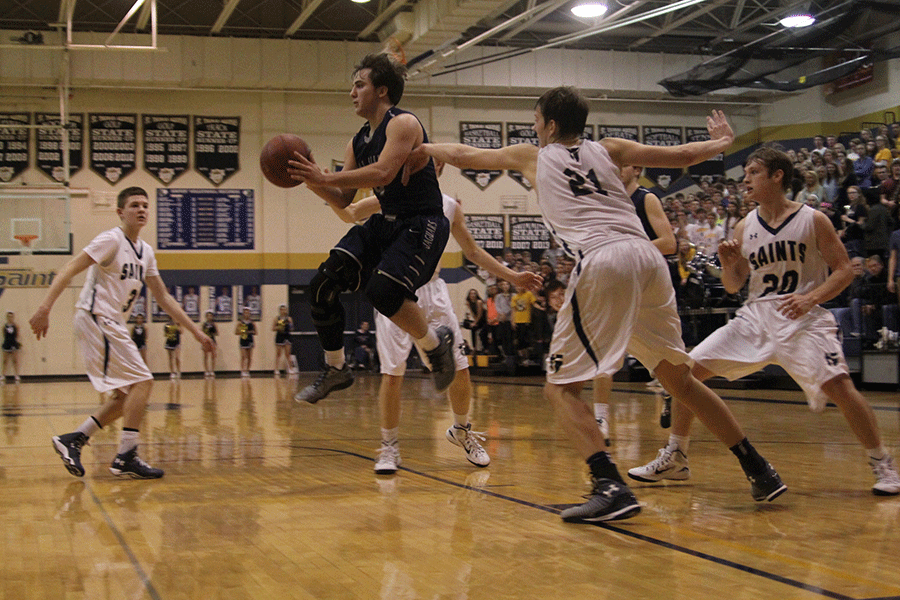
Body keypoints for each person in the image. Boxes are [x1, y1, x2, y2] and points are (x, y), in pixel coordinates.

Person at [408, 87, 786, 522]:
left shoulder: (531, 155)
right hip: (647, 259)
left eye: (535, 121)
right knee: (679, 380)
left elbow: (465, 154)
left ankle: (609, 485)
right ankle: (759, 469)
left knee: (560, 388)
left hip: (604, 259)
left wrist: (421, 147)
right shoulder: (610, 149)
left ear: (549, 125)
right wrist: (721, 143)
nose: (534, 128)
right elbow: (681, 154)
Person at [628, 146, 900, 497]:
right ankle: (676, 454)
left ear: (777, 176)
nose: (745, 180)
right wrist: (728, 264)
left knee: (839, 387)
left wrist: (810, 298)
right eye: (745, 174)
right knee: (686, 374)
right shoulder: (745, 224)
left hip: (802, 318)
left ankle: (882, 462)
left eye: (753, 173)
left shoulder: (812, 219)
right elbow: (733, 285)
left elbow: (846, 270)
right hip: (755, 318)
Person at [329, 166, 542, 474]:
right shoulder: (389, 195)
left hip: (433, 292)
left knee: (460, 369)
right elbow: (349, 213)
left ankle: (461, 430)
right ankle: (389, 447)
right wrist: (316, 183)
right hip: (394, 290)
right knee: (393, 374)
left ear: (436, 166)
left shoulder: (449, 206)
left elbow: (473, 251)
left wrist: (512, 276)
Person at [287, 52, 455, 404]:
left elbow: (383, 173)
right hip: (386, 221)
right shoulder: (357, 141)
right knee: (322, 286)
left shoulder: (403, 124)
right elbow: (344, 199)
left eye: (359, 85)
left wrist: (325, 175)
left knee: (383, 292)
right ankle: (335, 369)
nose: (352, 92)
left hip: (421, 222)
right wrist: (310, 179)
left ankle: (435, 345)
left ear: (381, 91)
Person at [34, 186, 214, 479]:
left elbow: (164, 297)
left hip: (110, 322)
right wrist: (45, 308)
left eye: (145, 205)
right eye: (134, 205)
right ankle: (126, 456)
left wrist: (196, 332)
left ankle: (73, 439)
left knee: (125, 398)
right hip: (96, 318)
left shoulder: (146, 252)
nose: (141, 209)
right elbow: (70, 267)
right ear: (121, 212)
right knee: (143, 381)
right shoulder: (111, 240)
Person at [592, 163, 678, 444]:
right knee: (605, 353)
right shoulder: (606, 200)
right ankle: (601, 418)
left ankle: (671, 394)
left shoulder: (646, 198)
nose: (613, 168)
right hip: (616, 284)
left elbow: (668, 242)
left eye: (621, 164)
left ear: (636, 169)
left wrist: (629, 250)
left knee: (667, 356)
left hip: (648, 285)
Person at [272, 304, 295, 377]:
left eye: (285, 309)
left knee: (288, 353)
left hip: (287, 336)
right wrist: (279, 327)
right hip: (279, 336)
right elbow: (273, 328)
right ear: (280, 311)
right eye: (282, 310)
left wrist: (288, 325)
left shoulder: (289, 318)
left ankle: (290, 369)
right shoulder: (277, 318)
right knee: (278, 354)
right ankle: (276, 369)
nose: (283, 311)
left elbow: (292, 328)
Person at [236, 306, 256, 377]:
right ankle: (242, 370)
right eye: (245, 312)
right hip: (243, 340)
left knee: (249, 357)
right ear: (243, 314)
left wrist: (249, 331)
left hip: (250, 340)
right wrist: (242, 331)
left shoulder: (252, 323)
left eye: (248, 312)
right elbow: (236, 332)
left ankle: (248, 370)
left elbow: (255, 332)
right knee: (243, 356)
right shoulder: (240, 323)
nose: (246, 314)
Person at [2, 311, 21, 382]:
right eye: (9, 316)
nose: (10, 318)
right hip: (6, 343)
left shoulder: (16, 326)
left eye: (11, 316)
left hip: (13, 344)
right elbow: (4, 335)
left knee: (15, 360)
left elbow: (17, 335)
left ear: (13, 317)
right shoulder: (4, 326)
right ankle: (3, 375)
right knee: (5, 361)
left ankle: (16, 375)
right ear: (7, 317)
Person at [201, 310, 218, 378]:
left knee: (213, 356)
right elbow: (201, 333)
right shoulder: (204, 324)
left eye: (210, 315)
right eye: (208, 315)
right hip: (205, 341)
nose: (209, 317)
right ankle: (206, 370)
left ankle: (212, 370)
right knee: (205, 356)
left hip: (212, 341)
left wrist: (212, 332)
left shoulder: (214, 324)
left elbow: (217, 333)